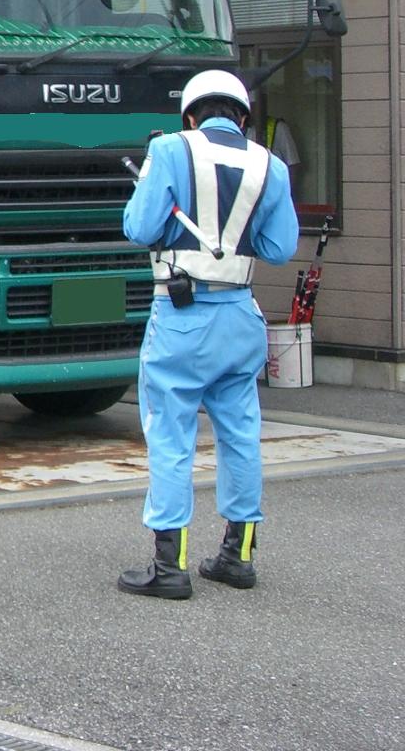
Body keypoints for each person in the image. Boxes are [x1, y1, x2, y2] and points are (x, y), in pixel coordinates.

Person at [117, 69, 299, 599]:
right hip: (241, 316)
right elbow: (279, 248)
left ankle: (168, 569)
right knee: (240, 436)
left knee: (170, 437)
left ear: (191, 115)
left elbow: (140, 228)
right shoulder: (272, 167)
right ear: (242, 117)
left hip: (182, 316)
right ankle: (238, 556)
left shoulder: (172, 149)